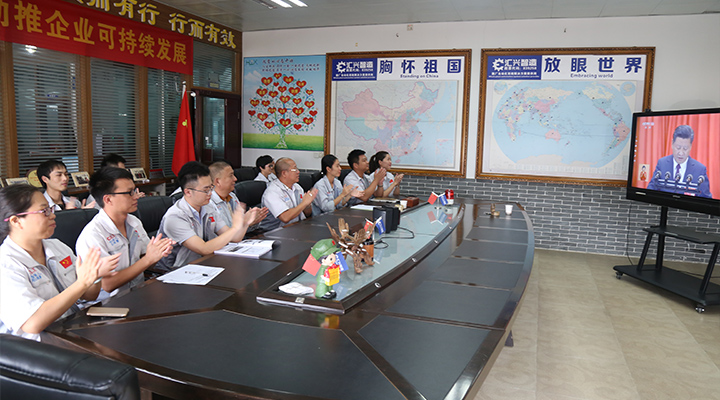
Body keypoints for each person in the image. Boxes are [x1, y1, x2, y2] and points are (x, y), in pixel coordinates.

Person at [0, 184, 119, 340]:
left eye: (50, 209)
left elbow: (90, 294)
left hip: (72, 329)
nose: (53, 215)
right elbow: (32, 323)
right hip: (39, 345)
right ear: (16, 221)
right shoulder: (6, 264)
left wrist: (94, 276)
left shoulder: (56, 246)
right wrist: (82, 283)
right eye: (44, 211)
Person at [75, 167, 174, 295]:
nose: (136, 196)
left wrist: (157, 253)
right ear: (108, 199)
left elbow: (146, 261)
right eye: (130, 193)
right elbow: (107, 285)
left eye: (135, 191)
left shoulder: (134, 222)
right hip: (108, 302)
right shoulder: (93, 235)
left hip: (137, 291)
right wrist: (148, 259)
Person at [156, 162, 259, 272]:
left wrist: (245, 223)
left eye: (211, 188)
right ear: (188, 192)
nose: (210, 193)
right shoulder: (175, 217)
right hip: (175, 271)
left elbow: (234, 239)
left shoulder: (207, 206)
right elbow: (203, 248)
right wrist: (235, 228)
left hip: (203, 264)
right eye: (206, 190)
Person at [647, 125, 712, 198]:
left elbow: (706, 198)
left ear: (690, 147)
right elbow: (650, 190)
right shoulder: (662, 164)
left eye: (685, 148)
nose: (681, 153)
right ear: (672, 144)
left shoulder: (700, 170)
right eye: (678, 147)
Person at [260, 157, 317, 231]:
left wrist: (307, 205)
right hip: (275, 232)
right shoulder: (272, 192)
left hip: (296, 227)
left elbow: (307, 214)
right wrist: (304, 203)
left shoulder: (297, 187)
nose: (298, 172)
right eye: (295, 169)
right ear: (284, 173)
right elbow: (285, 218)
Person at [208, 161, 268, 228]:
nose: (235, 179)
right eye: (230, 176)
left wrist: (253, 221)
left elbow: (241, 227)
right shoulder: (209, 203)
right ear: (217, 181)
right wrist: (246, 222)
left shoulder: (232, 196)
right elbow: (225, 232)